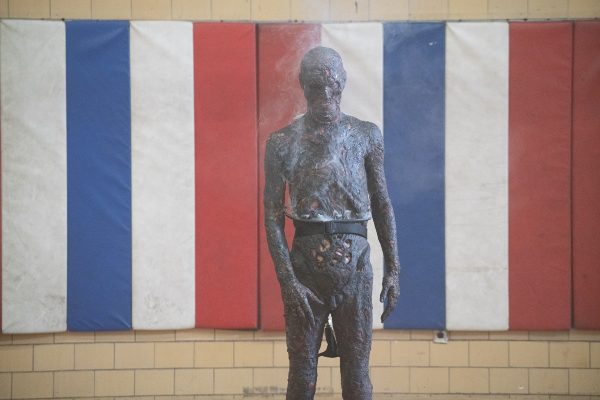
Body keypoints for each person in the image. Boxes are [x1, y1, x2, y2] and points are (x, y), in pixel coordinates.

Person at [264, 46, 400, 400]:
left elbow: (382, 203)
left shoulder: (366, 136)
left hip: (355, 268)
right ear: (303, 85)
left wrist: (393, 269)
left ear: (343, 82)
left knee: (357, 374)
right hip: (304, 272)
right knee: (301, 375)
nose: (325, 93)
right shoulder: (282, 142)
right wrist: (288, 281)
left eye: (331, 84)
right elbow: (272, 216)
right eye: (316, 85)